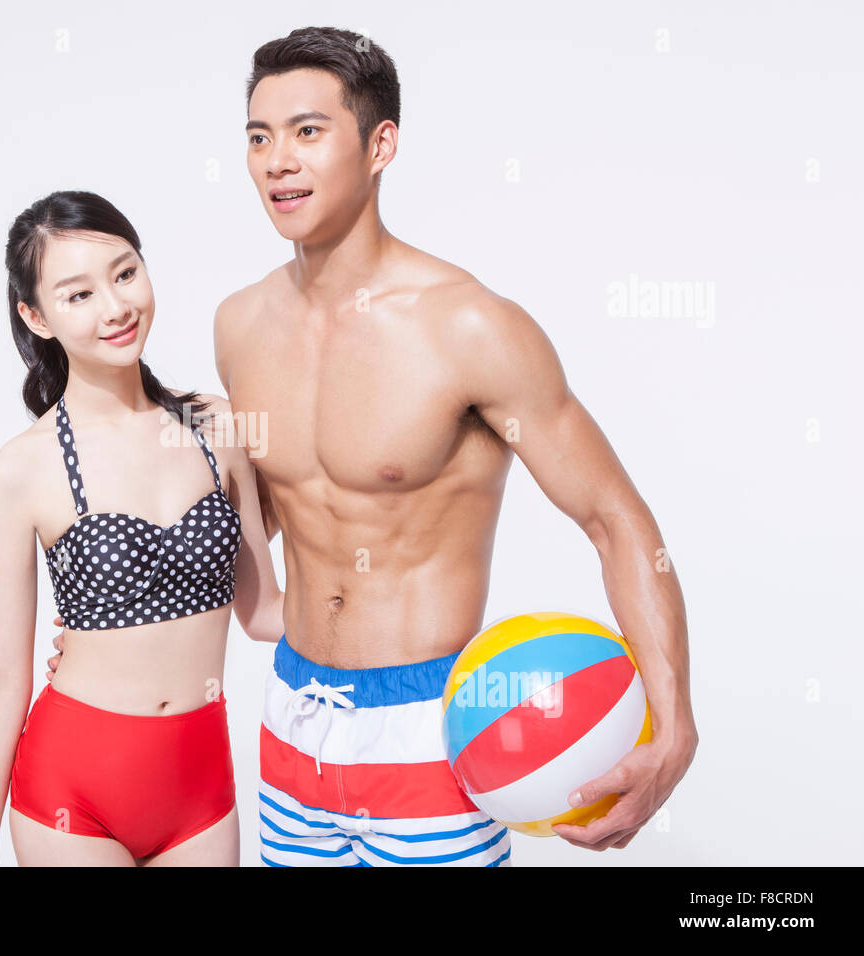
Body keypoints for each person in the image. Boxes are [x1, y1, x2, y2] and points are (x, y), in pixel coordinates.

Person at [209, 26, 700, 866]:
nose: (277, 161)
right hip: (292, 718)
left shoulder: (470, 327)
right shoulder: (240, 325)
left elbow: (614, 518)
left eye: (307, 131)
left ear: (380, 144)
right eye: (259, 137)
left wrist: (676, 723)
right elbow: (269, 524)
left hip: (437, 731)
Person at [0, 190, 284, 867]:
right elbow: (3, 676)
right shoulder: (23, 469)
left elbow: (265, 615)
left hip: (200, 787)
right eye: (77, 295)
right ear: (36, 316)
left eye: (124, 273)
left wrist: (386, 583)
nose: (115, 308)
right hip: (71, 791)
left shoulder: (215, 426)